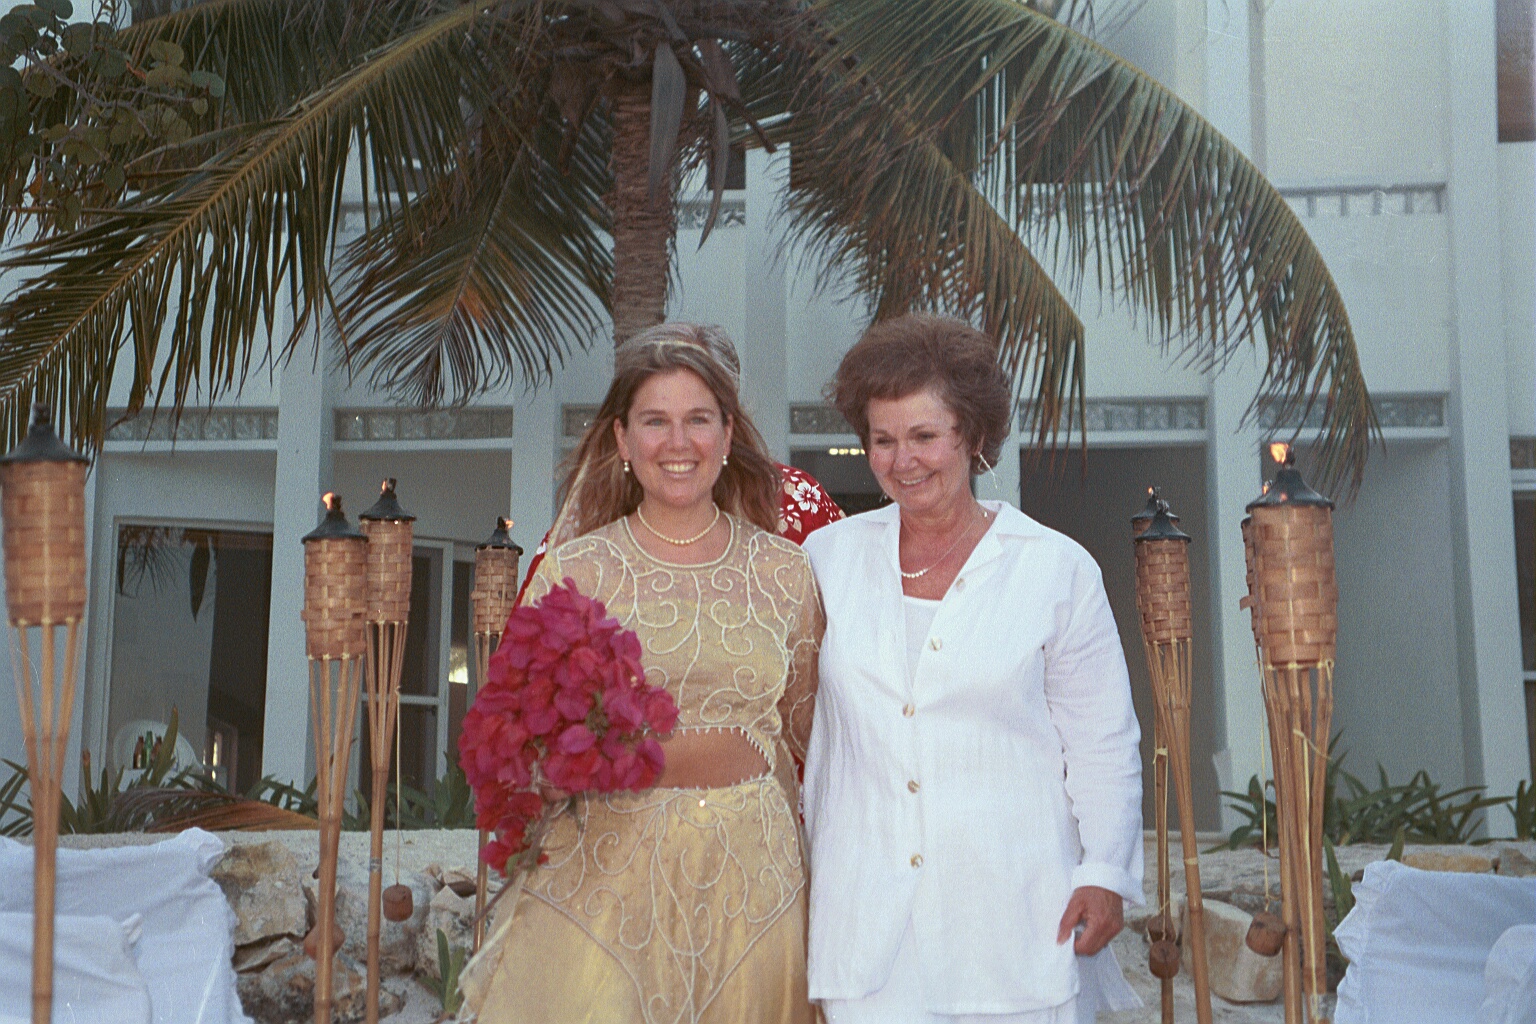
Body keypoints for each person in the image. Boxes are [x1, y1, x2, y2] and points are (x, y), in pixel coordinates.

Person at [459, 322, 825, 1024]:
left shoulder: (786, 571)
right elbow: (514, 734)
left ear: (727, 435)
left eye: (698, 420)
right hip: (603, 894)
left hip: (755, 892)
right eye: (655, 421)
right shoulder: (576, 571)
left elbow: (811, 737)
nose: (677, 442)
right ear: (623, 441)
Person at [800, 313, 1144, 1024]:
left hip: (1014, 921)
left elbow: (1102, 741)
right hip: (866, 934)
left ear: (974, 436)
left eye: (925, 436)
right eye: (883, 440)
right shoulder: (826, 560)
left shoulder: (1055, 568)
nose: (903, 460)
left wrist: (1106, 871)